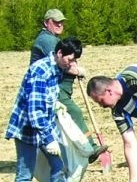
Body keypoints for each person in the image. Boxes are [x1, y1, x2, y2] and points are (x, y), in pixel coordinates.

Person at [5, 38, 88, 182]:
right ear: (59, 53)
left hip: (45, 126)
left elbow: (47, 101)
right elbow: (35, 111)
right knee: (24, 175)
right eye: (70, 59)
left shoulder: (58, 69)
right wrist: (48, 138)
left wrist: (56, 106)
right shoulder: (40, 71)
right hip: (27, 129)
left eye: (75, 60)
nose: (72, 64)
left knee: (58, 168)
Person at [31, 8, 108, 164]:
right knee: (74, 112)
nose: (60, 25)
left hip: (58, 86)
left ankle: (60, 155)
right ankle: (90, 147)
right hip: (49, 88)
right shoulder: (47, 40)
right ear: (47, 23)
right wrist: (78, 70)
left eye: (61, 22)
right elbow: (62, 62)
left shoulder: (51, 38)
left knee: (61, 121)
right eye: (56, 22)